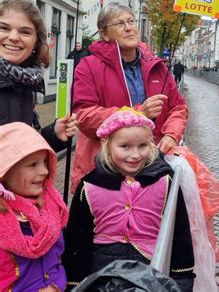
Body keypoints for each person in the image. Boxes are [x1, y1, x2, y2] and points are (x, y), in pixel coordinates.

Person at [62, 108, 195, 291]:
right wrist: (74, 284)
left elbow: (180, 234)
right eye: (125, 147)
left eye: (142, 146)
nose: (135, 155)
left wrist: (182, 281)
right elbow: (77, 240)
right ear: (107, 144)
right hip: (102, 277)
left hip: (152, 276)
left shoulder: (165, 181)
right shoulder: (89, 186)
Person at [71, 2, 188, 193]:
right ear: (104, 33)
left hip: (150, 167)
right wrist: (137, 113)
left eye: (131, 21)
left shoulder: (158, 68)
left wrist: (171, 135)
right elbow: (84, 115)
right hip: (105, 169)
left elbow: (178, 108)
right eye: (119, 23)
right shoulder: (88, 67)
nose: (128, 28)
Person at [0, 0, 77, 152]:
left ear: (36, 43)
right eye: (4, 28)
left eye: (25, 32)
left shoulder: (27, 82)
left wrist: (53, 134)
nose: (14, 37)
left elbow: (21, 149)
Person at [0, 122, 69, 291]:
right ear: (4, 170)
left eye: (45, 162)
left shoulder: (52, 205)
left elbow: (58, 258)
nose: (45, 170)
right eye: (32, 165)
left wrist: (57, 284)